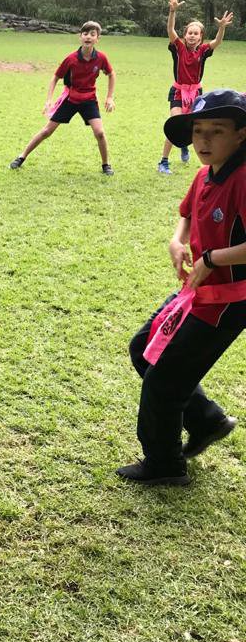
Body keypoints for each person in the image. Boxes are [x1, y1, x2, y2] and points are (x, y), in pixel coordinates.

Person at [118, 90, 246, 486]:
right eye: (198, 131)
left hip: (229, 300)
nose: (204, 140)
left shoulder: (243, 178)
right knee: (144, 349)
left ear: (241, 135)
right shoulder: (206, 172)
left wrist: (211, 259)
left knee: (165, 378)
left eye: (217, 131)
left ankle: (165, 464)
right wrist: (178, 240)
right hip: (198, 292)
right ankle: (206, 420)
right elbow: (187, 214)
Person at [8, 20, 116, 176]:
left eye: (92, 34)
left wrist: (110, 97)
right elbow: (55, 78)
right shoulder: (71, 59)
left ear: (97, 38)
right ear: (80, 37)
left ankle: (106, 165)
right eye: (85, 34)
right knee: (46, 131)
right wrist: (48, 99)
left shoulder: (101, 58)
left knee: (100, 133)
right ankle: (21, 157)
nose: (88, 37)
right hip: (70, 99)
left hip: (89, 100)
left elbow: (111, 74)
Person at [157, 0, 233, 175]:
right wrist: (172, 11)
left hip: (196, 92)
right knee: (175, 122)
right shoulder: (179, 48)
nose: (192, 36)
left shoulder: (204, 51)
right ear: (185, 35)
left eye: (196, 33)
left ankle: (183, 145)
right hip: (178, 91)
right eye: (189, 33)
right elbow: (170, 31)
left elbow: (218, 41)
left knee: (192, 125)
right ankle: (163, 162)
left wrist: (221, 28)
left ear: (200, 37)